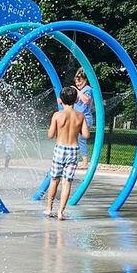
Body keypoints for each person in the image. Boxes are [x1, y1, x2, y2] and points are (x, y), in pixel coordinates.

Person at [45, 85, 88, 219]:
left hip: (60, 148)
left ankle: (49, 208)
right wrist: (79, 128)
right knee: (67, 182)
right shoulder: (80, 116)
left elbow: (50, 135)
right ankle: (61, 212)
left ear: (61, 100)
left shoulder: (57, 115)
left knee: (54, 180)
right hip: (74, 150)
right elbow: (86, 135)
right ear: (76, 101)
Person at [73, 71, 95, 164]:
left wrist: (76, 91)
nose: (78, 83)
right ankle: (76, 160)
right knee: (75, 139)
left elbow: (86, 100)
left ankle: (85, 162)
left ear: (85, 80)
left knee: (81, 139)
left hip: (85, 118)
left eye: (80, 81)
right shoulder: (82, 90)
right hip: (77, 118)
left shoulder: (87, 89)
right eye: (76, 82)